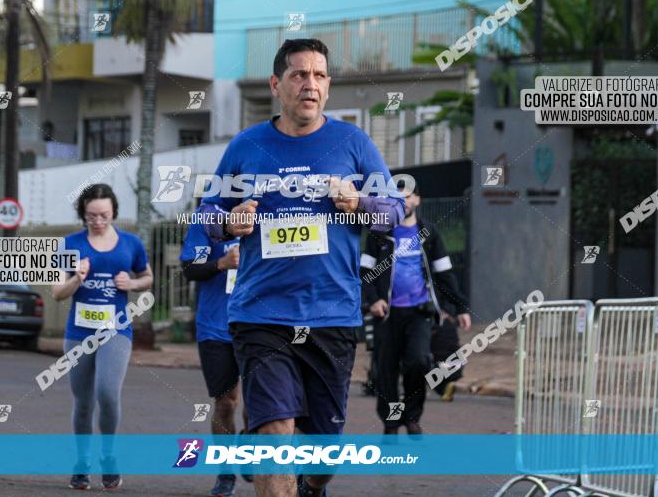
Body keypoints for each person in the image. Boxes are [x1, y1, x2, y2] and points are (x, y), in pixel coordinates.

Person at [198, 38, 404, 497]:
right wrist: (229, 223)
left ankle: (312, 483)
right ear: (276, 84)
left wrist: (359, 202)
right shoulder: (246, 146)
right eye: (298, 74)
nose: (309, 84)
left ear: (328, 86)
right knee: (276, 432)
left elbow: (393, 212)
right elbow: (206, 214)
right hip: (260, 315)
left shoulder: (353, 142)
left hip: (331, 315)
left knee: (324, 451)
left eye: (318, 75)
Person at [52, 183, 153, 491]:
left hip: (116, 330)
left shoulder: (130, 243)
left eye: (104, 215)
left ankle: (108, 457)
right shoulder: (69, 244)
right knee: (83, 401)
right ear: (82, 214)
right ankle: (82, 463)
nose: (97, 221)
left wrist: (132, 285)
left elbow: (148, 278)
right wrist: (76, 279)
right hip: (78, 331)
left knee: (107, 393)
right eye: (91, 216)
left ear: (114, 213)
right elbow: (57, 293)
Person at [360, 183, 471, 434]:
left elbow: (445, 274)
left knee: (419, 362)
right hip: (386, 314)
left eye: (407, 196)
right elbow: (365, 274)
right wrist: (373, 300)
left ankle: (412, 416)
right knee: (385, 371)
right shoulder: (379, 235)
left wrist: (461, 307)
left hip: (419, 313)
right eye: (396, 197)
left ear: (417, 200)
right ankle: (390, 422)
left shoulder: (429, 234)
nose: (402, 201)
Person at [180, 214, 250, 497]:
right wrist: (222, 263)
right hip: (216, 326)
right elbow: (190, 269)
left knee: (262, 402)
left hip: (260, 324)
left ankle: (252, 446)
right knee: (225, 404)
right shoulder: (207, 219)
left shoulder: (272, 211)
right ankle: (225, 473)